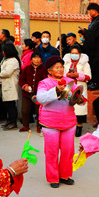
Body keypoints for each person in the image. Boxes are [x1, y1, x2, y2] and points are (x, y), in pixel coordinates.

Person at [36, 56, 78, 188]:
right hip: (50, 123)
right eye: (57, 67)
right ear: (49, 70)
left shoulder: (70, 81)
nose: (60, 69)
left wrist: (80, 98)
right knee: (52, 151)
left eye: (61, 67)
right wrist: (55, 90)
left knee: (68, 151)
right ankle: (53, 177)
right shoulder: (44, 83)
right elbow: (41, 98)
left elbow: (78, 95)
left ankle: (65, 175)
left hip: (69, 122)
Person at [80, 2, 99, 89]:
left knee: (96, 65)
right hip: (92, 48)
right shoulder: (93, 21)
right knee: (92, 65)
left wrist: (86, 32)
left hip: (98, 48)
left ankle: (96, 83)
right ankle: (92, 81)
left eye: (90, 11)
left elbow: (97, 34)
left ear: (94, 11)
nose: (89, 13)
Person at [62, 45, 91, 137]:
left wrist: (77, 75)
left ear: (80, 54)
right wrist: (67, 75)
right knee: (68, 106)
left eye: (76, 53)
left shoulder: (85, 63)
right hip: (69, 87)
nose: (74, 55)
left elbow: (88, 76)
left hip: (80, 86)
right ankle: (69, 126)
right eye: (72, 53)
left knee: (80, 108)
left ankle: (79, 126)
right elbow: (62, 74)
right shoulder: (66, 63)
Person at [19, 52, 47, 133]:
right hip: (27, 94)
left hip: (39, 94)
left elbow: (46, 81)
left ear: (41, 59)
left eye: (38, 58)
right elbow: (21, 79)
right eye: (34, 58)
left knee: (39, 111)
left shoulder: (44, 69)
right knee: (25, 110)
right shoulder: (27, 69)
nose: (36, 60)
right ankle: (25, 125)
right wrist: (25, 86)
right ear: (31, 60)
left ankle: (39, 126)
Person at [0, 43, 21, 131]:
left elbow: (7, 72)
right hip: (6, 84)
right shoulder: (6, 60)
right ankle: (9, 121)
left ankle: (13, 122)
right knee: (7, 104)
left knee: (11, 105)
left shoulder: (13, 61)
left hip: (11, 85)